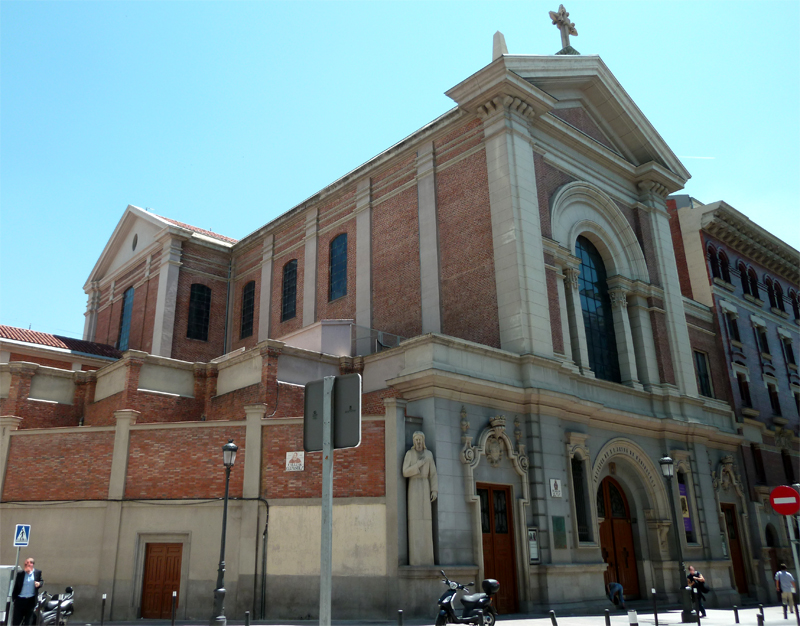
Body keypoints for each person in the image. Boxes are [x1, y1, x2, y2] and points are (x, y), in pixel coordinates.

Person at [402, 431, 438, 565]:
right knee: (414, 517)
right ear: (413, 441)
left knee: (426, 518)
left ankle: (427, 557)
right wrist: (417, 465)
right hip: (414, 485)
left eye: (420, 440)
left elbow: (433, 473)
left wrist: (434, 489)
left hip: (425, 485)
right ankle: (415, 558)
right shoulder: (409, 454)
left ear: (423, 441)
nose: (418, 442)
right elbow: (405, 471)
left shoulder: (429, 455)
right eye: (416, 440)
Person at [12, 557, 43, 626]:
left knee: (28, 622)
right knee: (16, 622)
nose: (26, 566)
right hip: (20, 600)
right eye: (25, 565)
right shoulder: (20, 574)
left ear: (32, 564)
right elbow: (16, 586)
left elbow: (41, 581)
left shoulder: (37, 573)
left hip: (30, 601)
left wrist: (39, 584)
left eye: (28, 565)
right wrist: (14, 599)